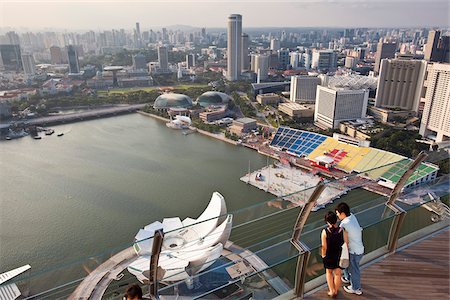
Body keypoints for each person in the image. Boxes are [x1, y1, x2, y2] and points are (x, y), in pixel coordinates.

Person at [336, 202, 364, 295]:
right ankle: (347, 278)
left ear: (342, 214)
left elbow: (338, 235)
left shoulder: (344, 223)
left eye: (337, 213)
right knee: (349, 265)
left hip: (354, 251)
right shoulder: (352, 216)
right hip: (359, 249)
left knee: (354, 270)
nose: (337, 215)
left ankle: (356, 288)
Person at [321, 211, 345, 298]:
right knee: (338, 273)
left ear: (327, 221)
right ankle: (336, 290)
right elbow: (345, 242)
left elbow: (324, 247)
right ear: (336, 220)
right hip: (339, 254)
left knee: (329, 272)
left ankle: (331, 291)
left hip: (329, 255)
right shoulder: (341, 230)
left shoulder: (325, 232)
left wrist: (323, 255)